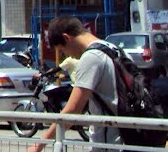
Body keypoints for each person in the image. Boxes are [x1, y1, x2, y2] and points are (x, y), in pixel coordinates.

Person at [28, 17, 122, 152]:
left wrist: (38, 146)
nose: (66, 56)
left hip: (108, 143)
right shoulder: (113, 49)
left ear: (67, 38)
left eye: (62, 51)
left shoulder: (91, 58)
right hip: (124, 139)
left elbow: (72, 111)